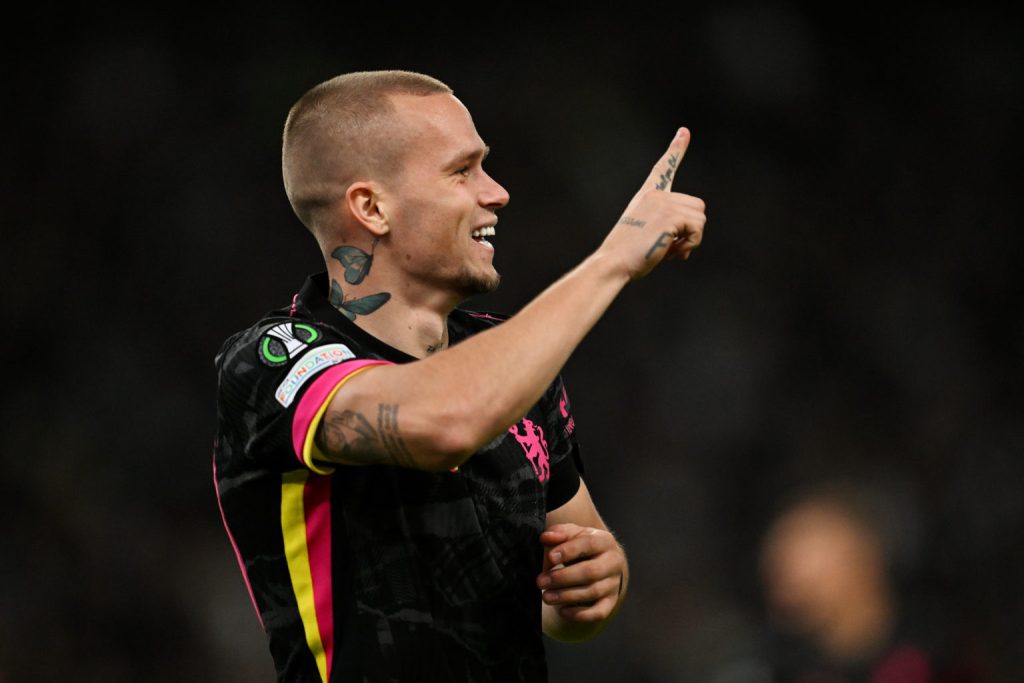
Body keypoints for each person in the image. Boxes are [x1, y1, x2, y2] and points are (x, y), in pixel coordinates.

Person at [212, 69, 706, 682]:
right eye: (462, 171)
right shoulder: (273, 359)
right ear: (372, 207)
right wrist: (611, 261)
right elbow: (444, 423)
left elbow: (571, 576)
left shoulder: (509, 357)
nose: (497, 192)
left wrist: (594, 581)